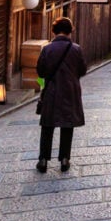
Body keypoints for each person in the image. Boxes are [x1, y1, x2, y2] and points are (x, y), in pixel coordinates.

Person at [36, 17, 87, 173]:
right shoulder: (76, 49)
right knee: (67, 124)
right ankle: (64, 159)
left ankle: (43, 160)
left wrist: (45, 82)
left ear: (54, 31)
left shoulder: (46, 49)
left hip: (51, 90)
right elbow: (83, 70)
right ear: (70, 31)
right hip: (70, 91)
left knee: (47, 126)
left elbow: (41, 71)